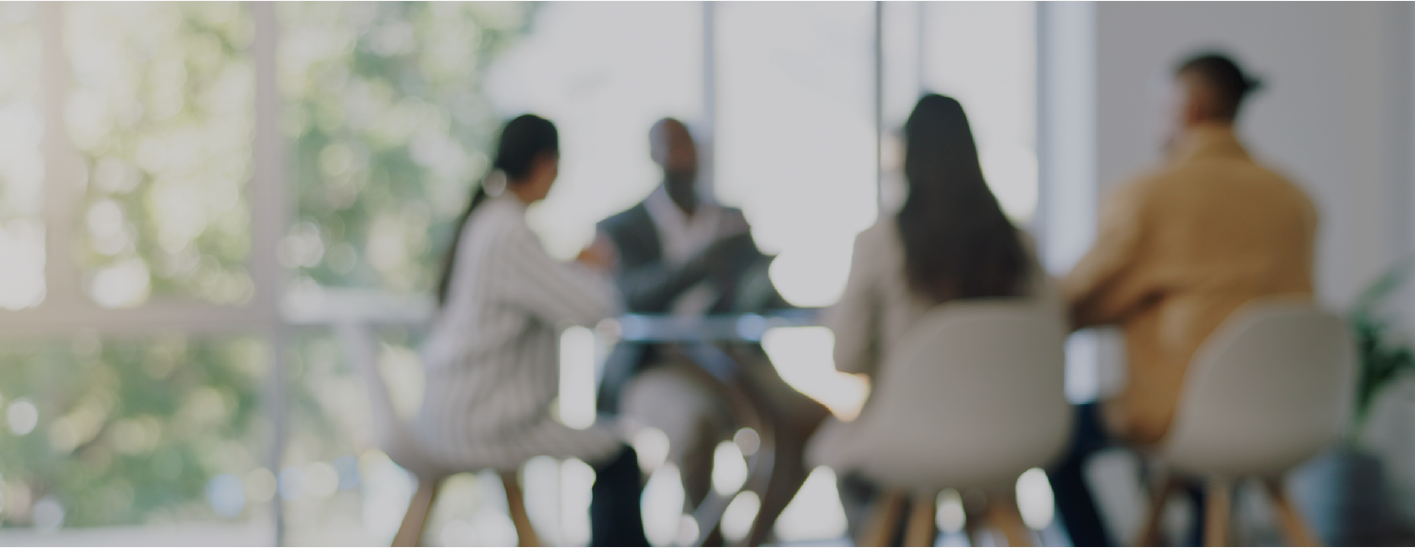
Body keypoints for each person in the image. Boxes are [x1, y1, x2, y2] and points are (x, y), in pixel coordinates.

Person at [1047, 52, 1318, 547]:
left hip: (1186, 410)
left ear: (1188, 107)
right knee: (1214, 392)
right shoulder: (1294, 199)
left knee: (1054, 436)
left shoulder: (1151, 196)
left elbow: (1077, 300)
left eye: (1159, 106)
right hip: (1288, 409)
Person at [812, 94, 1056, 540]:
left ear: (908, 156)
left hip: (912, 437)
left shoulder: (882, 241)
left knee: (857, 468)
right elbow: (1052, 333)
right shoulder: (1019, 242)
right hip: (1012, 434)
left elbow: (846, 357)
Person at [415, 114, 647, 546]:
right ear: (544, 163)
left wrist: (568, 266)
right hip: (485, 419)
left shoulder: (488, 220)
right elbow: (595, 310)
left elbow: (533, 286)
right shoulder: (511, 232)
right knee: (619, 454)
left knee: (599, 455)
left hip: (455, 409)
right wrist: (593, 270)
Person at [592, 118, 822, 545]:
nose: (683, 158)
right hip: (659, 364)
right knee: (694, 424)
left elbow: (762, 295)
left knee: (810, 419)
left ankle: (753, 536)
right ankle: (705, 538)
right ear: (653, 156)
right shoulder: (623, 227)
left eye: (689, 147)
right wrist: (701, 263)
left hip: (733, 359)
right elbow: (632, 296)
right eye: (672, 148)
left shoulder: (729, 219)